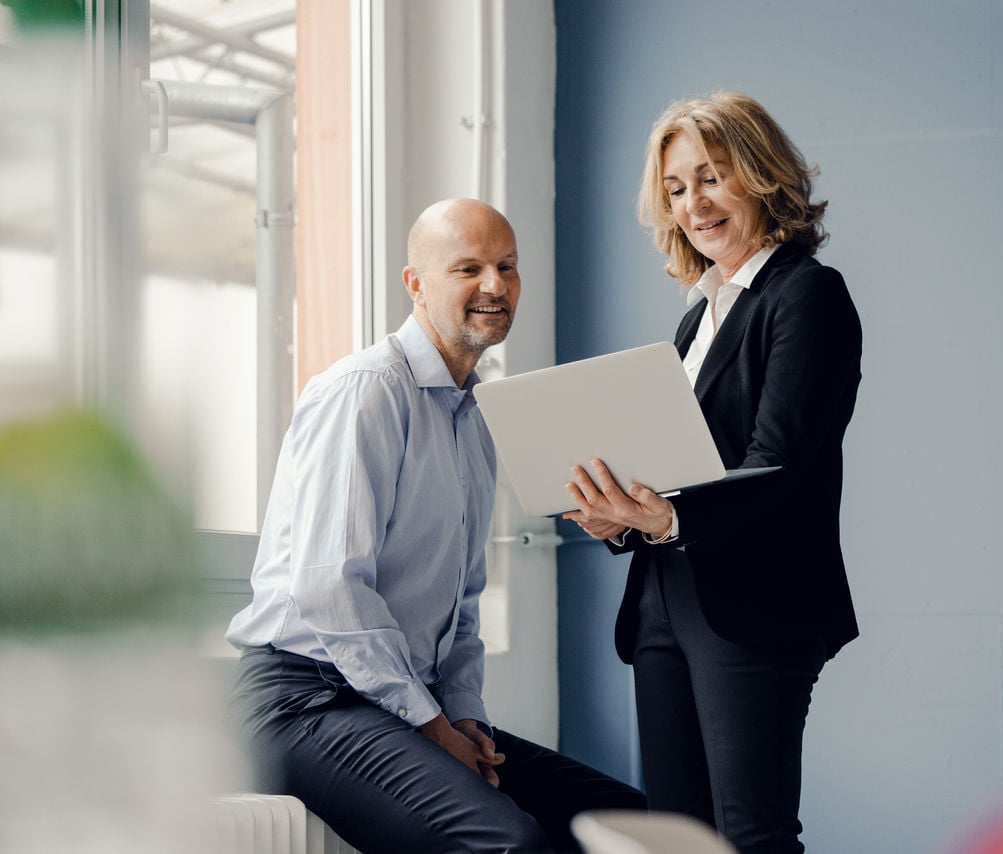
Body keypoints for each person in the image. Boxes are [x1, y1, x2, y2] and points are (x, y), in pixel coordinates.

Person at [227, 198, 644, 854]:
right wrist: (428, 723)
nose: (494, 285)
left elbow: (462, 609)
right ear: (415, 283)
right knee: (508, 843)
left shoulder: (473, 421)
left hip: (400, 701)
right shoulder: (365, 392)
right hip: (304, 700)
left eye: (507, 267)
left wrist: (465, 718)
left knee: (627, 821)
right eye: (468, 267)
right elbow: (330, 591)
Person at [562, 92, 862, 854]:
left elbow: (780, 464)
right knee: (674, 838)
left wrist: (665, 518)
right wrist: (619, 518)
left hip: (755, 602)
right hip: (665, 600)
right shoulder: (698, 317)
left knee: (750, 836)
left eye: (711, 177)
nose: (693, 204)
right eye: (675, 188)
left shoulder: (806, 295)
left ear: (760, 177)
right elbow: (681, 473)